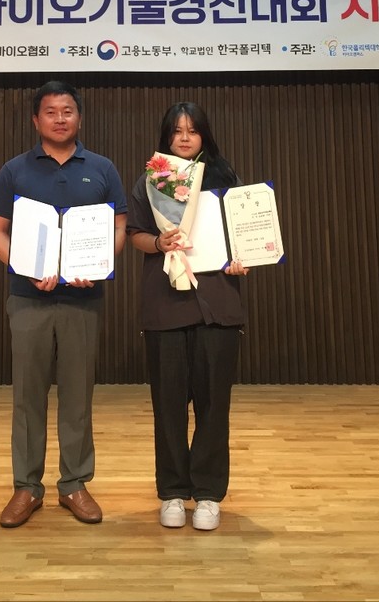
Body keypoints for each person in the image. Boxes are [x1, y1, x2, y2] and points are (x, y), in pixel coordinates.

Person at [0, 80, 127, 529]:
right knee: (28, 395)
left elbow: (119, 226)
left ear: (78, 117)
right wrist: (24, 267)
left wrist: (100, 264)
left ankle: (74, 484)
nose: (60, 118)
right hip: (28, 298)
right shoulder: (14, 170)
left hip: (83, 300)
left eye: (67, 111)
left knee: (78, 394)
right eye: (51, 111)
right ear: (36, 119)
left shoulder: (101, 168)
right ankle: (26, 487)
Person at [127, 101, 249, 532]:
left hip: (218, 305)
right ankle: (173, 493)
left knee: (215, 406)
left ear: (204, 135)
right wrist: (158, 243)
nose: (184, 137)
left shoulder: (225, 179)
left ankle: (209, 494)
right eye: (177, 130)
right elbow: (135, 234)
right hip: (166, 305)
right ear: (166, 136)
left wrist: (243, 259)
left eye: (192, 130)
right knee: (168, 406)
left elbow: (244, 235)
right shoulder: (152, 180)